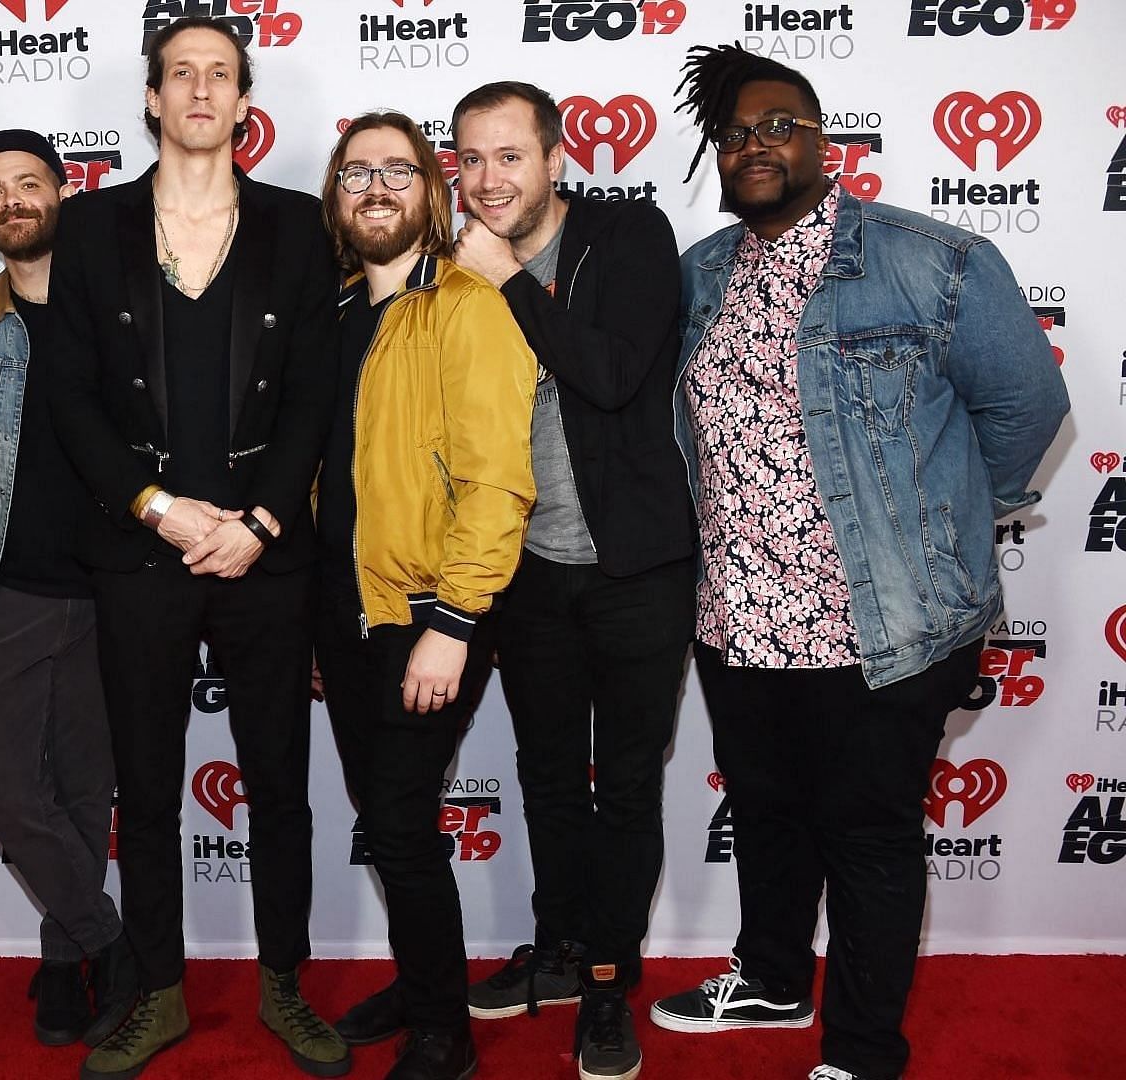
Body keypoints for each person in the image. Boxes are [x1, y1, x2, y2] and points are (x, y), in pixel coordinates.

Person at [647, 45, 1069, 1080]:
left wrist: (947, 526)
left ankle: (864, 1049)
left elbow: (1026, 410)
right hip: (736, 622)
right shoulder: (701, 275)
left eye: (779, 125)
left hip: (880, 627)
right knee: (766, 820)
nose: (756, 145)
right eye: (736, 132)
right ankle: (775, 980)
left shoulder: (933, 260)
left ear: (824, 141)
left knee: (871, 840)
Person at [44, 15, 346, 1080]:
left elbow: (316, 390)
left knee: (279, 781)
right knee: (147, 783)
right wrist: (154, 505)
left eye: (222, 75)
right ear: (153, 100)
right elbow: (68, 394)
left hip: (267, 555)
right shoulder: (92, 228)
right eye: (183, 74)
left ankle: (284, 985)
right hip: (140, 552)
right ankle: (160, 991)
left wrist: (259, 521)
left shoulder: (297, 227)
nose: (202, 91)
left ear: (244, 100)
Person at [445, 80, 696, 1080]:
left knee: (625, 788)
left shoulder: (628, 237)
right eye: (469, 159)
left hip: (638, 566)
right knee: (546, 776)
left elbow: (609, 375)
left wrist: (508, 278)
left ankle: (605, 977)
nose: (488, 178)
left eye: (510, 155)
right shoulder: (455, 266)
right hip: (528, 569)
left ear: (557, 159)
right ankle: (555, 949)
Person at [313, 112, 536, 1080]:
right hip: (347, 611)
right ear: (336, 195)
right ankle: (420, 978)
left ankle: (444, 1027)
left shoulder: (466, 306)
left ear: (431, 193)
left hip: (427, 614)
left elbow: (498, 482)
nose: (375, 187)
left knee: (401, 819)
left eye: (397, 170)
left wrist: (454, 622)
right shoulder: (333, 315)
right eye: (356, 171)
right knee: (385, 814)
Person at [0, 127, 137, 1049]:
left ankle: (67, 959)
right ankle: (115, 941)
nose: (14, 201)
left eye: (30, 183)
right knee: (3, 788)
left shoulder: (121, 310)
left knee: (82, 792)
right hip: (6, 591)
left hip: (114, 592)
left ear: (64, 193)